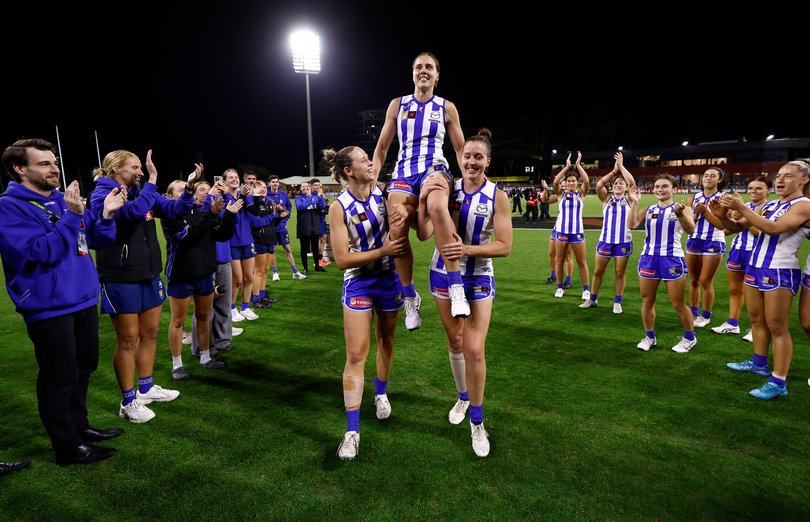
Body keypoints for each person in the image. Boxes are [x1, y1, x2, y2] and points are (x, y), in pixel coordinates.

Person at [0, 138, 127, 464]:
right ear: (20, 169)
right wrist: (72, 216)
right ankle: (67, 448)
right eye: (43, 163)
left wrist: (107, 217)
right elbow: (37, 252)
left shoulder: (61, 199)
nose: (54, 167)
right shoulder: (9, 205)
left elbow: (91, 239)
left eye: (54, 161)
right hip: (49, 306)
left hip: (82, 298)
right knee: (59, 378)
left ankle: (79, 427)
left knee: (84, 368)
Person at [414, 128, 512, 457]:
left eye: (478, 157)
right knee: (455, 342)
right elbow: (425, 233)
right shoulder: (447, 188)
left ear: (488, 161)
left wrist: (466, 250)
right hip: (442, 274)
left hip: (479, 277)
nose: (471, 162)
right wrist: (420, 205)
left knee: (475, 350)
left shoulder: (498, 196)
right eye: (467, 156)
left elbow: (504, 246)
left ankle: (477, 422)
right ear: (461, 158)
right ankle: (462, 396)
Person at [90, 149, 197, 423]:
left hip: (149, 274)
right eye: (135, 168)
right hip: (120, 277)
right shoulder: (103, 194)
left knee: (150, 333)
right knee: (128, 340)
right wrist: (152, 179)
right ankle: (128, 401)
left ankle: (146, 388)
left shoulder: (140, 192)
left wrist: (187, 193)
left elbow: (174, 210)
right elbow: (131, 214)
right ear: (115, 168)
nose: (139, 172)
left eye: (141, 168)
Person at [373, 51, 469, 333]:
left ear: (437, 75)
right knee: (397, 225)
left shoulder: (446, 107)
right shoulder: (397, 105)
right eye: (418, 67)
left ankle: (455, 286)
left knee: (439, 207)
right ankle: (411, 297)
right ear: (412, 73)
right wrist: (372, 179)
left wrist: (467, 183)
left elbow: (461, 148)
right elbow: (381, 148)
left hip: (435, 167)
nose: (423, 71)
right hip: (403, 172)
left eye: (429, 67)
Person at [324, 145, 407, 460]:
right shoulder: (339, 207)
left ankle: (381, 393)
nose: (370, 162)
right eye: (363, 160)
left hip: (389, 280)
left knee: (386, 339)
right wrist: (383, 251)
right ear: (349, 170)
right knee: (356, 354)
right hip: (359, 281)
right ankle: (352, 431)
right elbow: (342, 259)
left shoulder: (385, 194)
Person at [720, 160, 810, 399]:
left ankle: (779, 381)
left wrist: (745, 208)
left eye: (788, 176)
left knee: (777, 327)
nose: (780, 180)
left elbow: (773, 229)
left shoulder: (804, 205)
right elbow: (738, 226)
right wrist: (722, 215)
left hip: (779, 270)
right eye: (779, 175)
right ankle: (759, 364)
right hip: (755, 267)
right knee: (756, 320)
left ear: (804, 180)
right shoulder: (769, 204)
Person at [162, 178, 240, 379]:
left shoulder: (203, 212)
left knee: (204, 316)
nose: (186, 192)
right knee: (178, 321)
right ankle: (177, 364)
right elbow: (187, 238)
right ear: (171, 197)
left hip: (204, 273)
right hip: (181, 275)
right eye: (181, 190)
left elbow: (221, 235)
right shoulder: (170, 216)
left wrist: (230, 216)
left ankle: (205, 357)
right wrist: (212, 214)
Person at [626, 175, 698, 353]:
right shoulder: (649, 209)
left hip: (672, 259)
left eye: (665, 186)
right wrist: (634, 202)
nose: (660, 189)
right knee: (647, 301)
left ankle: (690, 337)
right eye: (657, 186)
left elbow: (691, 230)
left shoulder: (684, 209)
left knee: (678, 303)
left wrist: (680, 214)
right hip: (649, 259)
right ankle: (649, 337)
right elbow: (632, 224)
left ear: (674, 188)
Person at [711, 176, 771, 337]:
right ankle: (732, 324)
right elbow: (731, 230)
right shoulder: (745, 207)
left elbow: (764, 233)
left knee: (759, 293)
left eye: (758, 188)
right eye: (751, 188)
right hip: (738, 251)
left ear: (768, 191)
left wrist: (746, 218)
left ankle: (757, 329)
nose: (753, 191)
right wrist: (727, 219)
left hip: (757, 253)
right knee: (734, 290)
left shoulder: (770, 208)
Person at [580, 152, 635, 313]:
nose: (618, 185)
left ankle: (617, 301)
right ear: (612, 186)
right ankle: (592, 298)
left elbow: (631, 183)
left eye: (621, 184)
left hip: (623, 242)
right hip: (605, 241)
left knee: (619, 272)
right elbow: (598, 185)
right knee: (598, 271)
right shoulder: (607, 199)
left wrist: (622, 166)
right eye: (616, 183)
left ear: (625, 188)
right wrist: (613, 171)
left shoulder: (629, 200)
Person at [685, 167, 728, 329]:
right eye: (706, 175)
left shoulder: (724, 198)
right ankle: (694, 312)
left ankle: (706, 315)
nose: (708, 178)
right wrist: (694, 215)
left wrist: (707, 212)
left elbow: (723, 225)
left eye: (713, 176)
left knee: (705, 281)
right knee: (694, 280)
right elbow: (690, 224)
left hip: (713, 241)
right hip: (694, 240)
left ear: (719, 179)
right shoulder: (693, 198)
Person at [551, 152, 591, 301]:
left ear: (576, 182)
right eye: (569, 181)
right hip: (561, 232)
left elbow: (586, 181)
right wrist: (567, 167)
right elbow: (555, 182)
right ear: (566, 183)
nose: (572, 183)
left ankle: (586, 290)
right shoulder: (561, 194)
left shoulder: (581, 194)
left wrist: (578, 165)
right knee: (559, 260)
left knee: (582, 262)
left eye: (574, 181)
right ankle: (559, 287)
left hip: (577, 232)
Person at [222, 169, 260, 322]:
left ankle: (245, 307)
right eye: (230, 177)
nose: (234, 179)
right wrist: (243, 196)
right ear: (225, 181)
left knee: (249, 277)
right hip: (232, 242)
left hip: (247, 240)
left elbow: (255, 212)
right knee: (237, 279)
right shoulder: (223, 197)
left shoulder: (245, 196)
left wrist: (255, 194)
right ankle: (231, 308)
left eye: (236, 177)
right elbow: (234, 216)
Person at [266, 175, 306, 280]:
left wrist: (285, 219)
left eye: (276, 182)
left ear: (279, 183)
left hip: (281, 227)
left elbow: (289, 207)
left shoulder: (283, 194)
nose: (275, 183)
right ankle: (275, 273)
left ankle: (295, 272)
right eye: (273, 182)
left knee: (287, 249)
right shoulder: (266, 194)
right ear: (269, 183)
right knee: (273, 250)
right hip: (270, 227)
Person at [247, 179, 278, 307]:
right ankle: (255, 299)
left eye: (264, 187)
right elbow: (256, 222)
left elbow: (273, 220)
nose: (263, 189)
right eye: (260, 187)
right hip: (259, 241)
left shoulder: (269, 202)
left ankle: (262, 295)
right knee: (258, 271)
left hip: (270, 240)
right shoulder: (252, 204)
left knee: (265, 270)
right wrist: (271, 215)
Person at [541, 180, 574, 286]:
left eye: (565, 185)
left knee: (568, 256)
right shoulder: (559, 196)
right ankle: (553, 274)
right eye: (562, 186)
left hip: (569, 230)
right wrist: (546, 189)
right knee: (551, 253)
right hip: (557, 229)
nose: (564, 187)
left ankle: (568, 279)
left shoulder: (574, 196)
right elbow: (544, 200)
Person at [294, 180, 327, 274]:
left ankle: (317, 266)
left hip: (314, 226)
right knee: (304, 249)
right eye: (303, 186)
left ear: (309, 187)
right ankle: (305, 268)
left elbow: (322, 207)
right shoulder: (298, 197)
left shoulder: (316, 197)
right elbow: (300, 207)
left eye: (307, 186)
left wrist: (320, 197)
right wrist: (309, 198)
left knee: (315, 249)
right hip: (304, 227)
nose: (305, 188)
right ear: (300, 189)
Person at [312, 179, 332, 268]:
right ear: (311, 186)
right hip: (316, 220)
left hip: (322, 219)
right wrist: (320, 198)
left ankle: (320, 257)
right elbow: (319, 207)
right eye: (315, 185)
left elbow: (323, 207)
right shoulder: (312, 196)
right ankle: (317, 260)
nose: (318, 187)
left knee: (324, 238)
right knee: (318, 239)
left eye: (318, 185)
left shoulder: (321, 195)